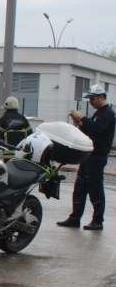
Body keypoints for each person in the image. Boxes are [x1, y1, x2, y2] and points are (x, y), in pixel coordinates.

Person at [58, 84, 115, 230]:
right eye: (89, 99)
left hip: (97, 156)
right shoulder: (99, 113)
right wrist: (81, 123)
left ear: (102, 97)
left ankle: (97, 221)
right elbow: (91, 131)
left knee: (95, 188)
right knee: (80, 187)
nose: (91, 102)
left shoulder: (107, 113)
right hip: (89, 155)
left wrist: (83, 117)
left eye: (93, 99)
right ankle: (75, 218)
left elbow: (97, 129)